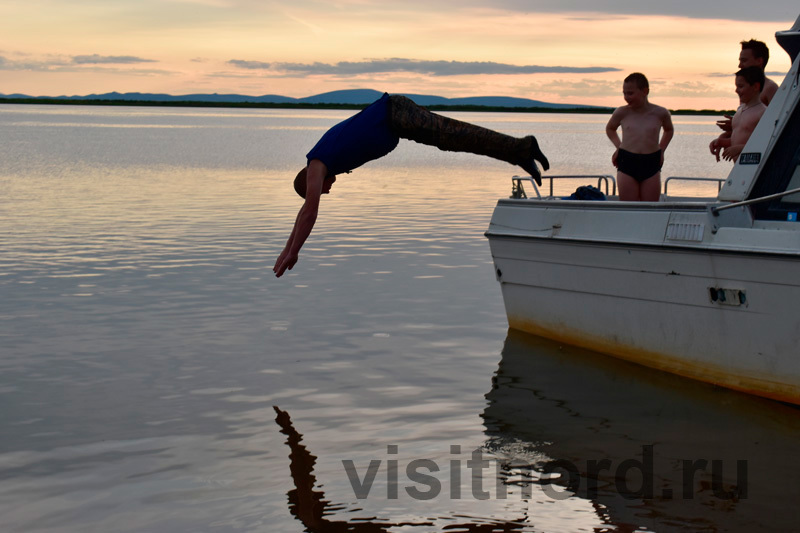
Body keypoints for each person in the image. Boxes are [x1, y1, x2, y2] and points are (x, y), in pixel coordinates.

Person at [273, 93, 549, 277]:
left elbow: (309, 212)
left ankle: (521, 149)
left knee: (452, 134)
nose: (327, 190)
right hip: (398, 121)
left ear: (310, 182)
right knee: (453, 139)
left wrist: (294, 252)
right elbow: (302, 214)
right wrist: (286, 249)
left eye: (321, 190)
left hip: (396, 113)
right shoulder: (323, 162)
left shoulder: (316, 165)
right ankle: (519, 152)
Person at [605, 73, 674, 202]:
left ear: (645, 91)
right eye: (624, 93)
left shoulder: (661, 113)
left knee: (650, 206)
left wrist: (662, 150)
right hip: (627, 160)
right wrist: (618, 146)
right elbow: (610, 129)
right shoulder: (621, 112)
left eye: (630, 93)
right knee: (628, 206)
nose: (626, 97)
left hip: (651, 161)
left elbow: (669, 130)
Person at [716, 39, 778, 132]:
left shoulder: (770, 88)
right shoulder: (747, 89)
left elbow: (776, 124)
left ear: (759, 61)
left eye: (744, 61)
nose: (740, 65)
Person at [709, 66, 767, 163]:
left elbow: (766, 142)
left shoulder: (762, 112)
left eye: (741, 86)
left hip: (753, 166)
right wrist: (722, 142)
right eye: (736, 86)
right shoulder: (740, 110)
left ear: (756, 87)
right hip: (738, 167)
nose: (736, 90)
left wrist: (741, 148)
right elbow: (738, 139)